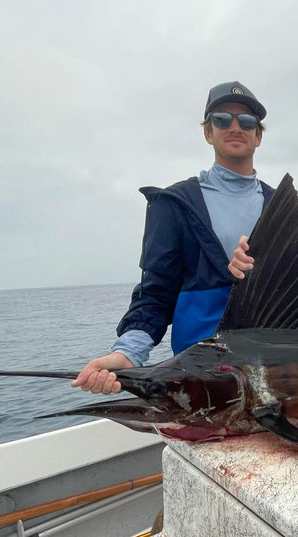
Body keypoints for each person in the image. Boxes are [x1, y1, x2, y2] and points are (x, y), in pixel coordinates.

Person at [72, 81, 275, 395]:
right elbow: (156, 293)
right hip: (205, 383)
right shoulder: (176, 204)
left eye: (246, 122)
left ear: (258, 136)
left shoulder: (282, 206)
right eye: (222, 119)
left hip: (279, 377)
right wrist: (128, 353)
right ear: (208, 133)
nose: (235, 127)